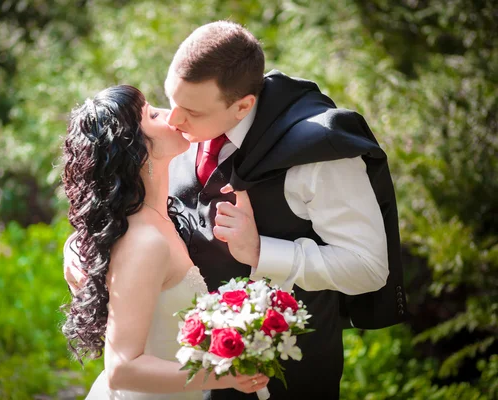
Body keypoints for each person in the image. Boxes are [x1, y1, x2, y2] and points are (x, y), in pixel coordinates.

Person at [66, 21, 407, 400]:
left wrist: (262, 251)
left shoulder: (318, 153)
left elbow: (371, 268)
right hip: (187, 379)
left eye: (191, 111)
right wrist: (84, 248)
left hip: (288, 381)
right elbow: (129, 205)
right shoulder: (178, 135)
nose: (175, 119)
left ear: (241, 105)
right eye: (169, 100)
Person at [60, 85, 269, 400]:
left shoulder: (158, 217)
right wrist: (225, 374)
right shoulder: (145, 242)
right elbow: (121, 369)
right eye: (153, 114)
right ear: (136, 149)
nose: (173, 115)